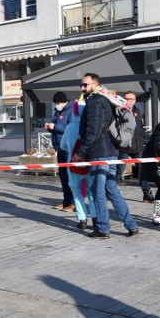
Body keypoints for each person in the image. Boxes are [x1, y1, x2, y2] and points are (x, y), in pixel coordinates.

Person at [72, 73, 139, 239]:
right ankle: (131, 224)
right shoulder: (108, 99)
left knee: (97, 191)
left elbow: (93, 131)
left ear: (94, 85)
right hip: (111, 151)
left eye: (85, 85)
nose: (82, 88)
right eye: (82, 85)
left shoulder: (95, 101)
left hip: (99, 153)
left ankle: (103, 228)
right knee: (112, 189)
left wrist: (80, 153)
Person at [60, 98, 96, 229]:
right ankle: (96, 218)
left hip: (74, 165)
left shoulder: (70, 127)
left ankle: (82, 220)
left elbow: (63, 145)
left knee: (77, 192)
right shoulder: (92, 128)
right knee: (92, 192)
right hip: (91, 164)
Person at [116, 92, 153, 202]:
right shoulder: (120, 110)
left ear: (135, 100)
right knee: (119, 170)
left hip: (137, 146)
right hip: (124, 146)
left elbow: (140, 126)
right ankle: (111, 190)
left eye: (131, 99)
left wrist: (143, 138)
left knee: (142, 170)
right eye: (126, 99)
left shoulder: (137, 110)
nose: (128, 101)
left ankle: (146, 193)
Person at [44, 92, 74, 211]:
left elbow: (71, 128)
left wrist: (55, 127)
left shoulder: (71, 111)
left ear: (65, 102)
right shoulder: (58, 111)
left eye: (58, 103)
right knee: (63, 176)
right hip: (60, 147)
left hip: (68, 148)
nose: (57, 105)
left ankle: (73, 203)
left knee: (70, 176)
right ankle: (66, 201)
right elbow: (56, 127)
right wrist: (50, 128)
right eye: (55, 104)